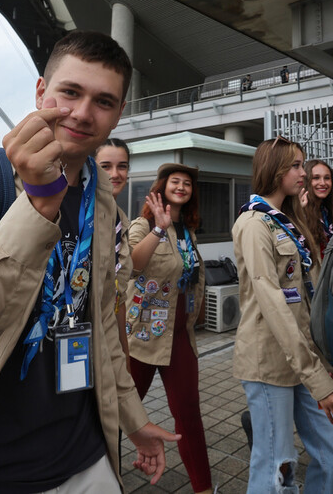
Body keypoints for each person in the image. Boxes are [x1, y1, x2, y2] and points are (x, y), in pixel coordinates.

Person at [0, 29, 177, 492]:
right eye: (70, 92)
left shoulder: (102, 204)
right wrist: (37, 206)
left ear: (119, 113)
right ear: (41, 91)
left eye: (103, 101)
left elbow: (101, 324)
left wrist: (134, 420)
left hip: (83, 456)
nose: (82, 113)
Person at [233, 137, 333, 493]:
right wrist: (316, 377)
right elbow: (272, 302)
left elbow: (309, 296)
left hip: (305, 357)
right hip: (269, 361)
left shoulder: (289, 221)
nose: (303, 173)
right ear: (275, 170)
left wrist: (323, 362)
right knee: (278, 465)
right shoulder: (255, 224)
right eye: (296, 166)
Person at [126, 163, 213, 494]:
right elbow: (133, 264)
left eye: (187, 183)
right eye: (175, 181)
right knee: (118, 412)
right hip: (142, 338)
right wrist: (158, 230)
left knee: (189, 416)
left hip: (180, 338)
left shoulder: (189, 232)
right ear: (161, 187)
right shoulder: (143, 224)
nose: (182, 187)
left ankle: (203, 488)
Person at [95, 138, 132, 364]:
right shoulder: (80, 215)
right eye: (105, 166)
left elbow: (118, 293)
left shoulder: (120, 219)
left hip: (109, 338)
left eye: (122, 166)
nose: (115, 174)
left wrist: (124, 353)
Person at [302, 160, 333, 258]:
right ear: (306, 181)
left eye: (327, 178)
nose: (323, 183)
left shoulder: (327, 211)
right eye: (316, 178)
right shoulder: (300, 212)